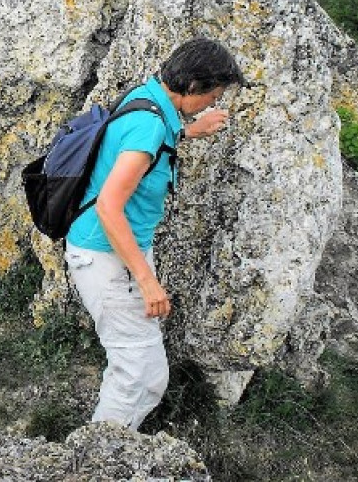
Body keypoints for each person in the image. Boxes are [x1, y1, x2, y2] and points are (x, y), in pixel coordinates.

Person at [65, 38, 246, 430]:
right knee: (139, 375)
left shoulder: (148, 99)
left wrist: (189, 132)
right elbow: (109, 207)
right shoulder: (150, 126)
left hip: (110, 250)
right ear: (193, 87)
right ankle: (99, 460)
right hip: (107, 256)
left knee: (142, 372)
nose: (213, 103)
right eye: (212, 95)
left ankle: (106, 448)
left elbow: (138, 144)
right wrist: (148, 283)